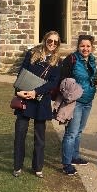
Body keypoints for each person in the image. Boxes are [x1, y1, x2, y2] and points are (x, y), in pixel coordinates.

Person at [12, 31, 62, 178]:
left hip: (41, 100)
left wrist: (36, 92)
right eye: (50, 41)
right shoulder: (31, 53)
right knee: (20, 133)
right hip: (25, 97)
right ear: (45, 40)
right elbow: (22, 72)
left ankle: (37, 167)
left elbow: (53, 82)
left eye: (55, 42)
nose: (52, 44)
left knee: (39, 137)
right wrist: (18, 91)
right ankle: (17, 166)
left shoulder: (58, 61)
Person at [60, 34, 97, 176]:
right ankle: (66, 163)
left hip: (88, 101)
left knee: (79, 131)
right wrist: (70, 95)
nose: (85, 48)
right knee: (71, 133)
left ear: (92, 47)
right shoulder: (72, 59)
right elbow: (63, 80)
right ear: (78, 46)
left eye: (88, 46)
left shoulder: (92, 60)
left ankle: (74, 157)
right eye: (82, 46)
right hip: (75, 102)